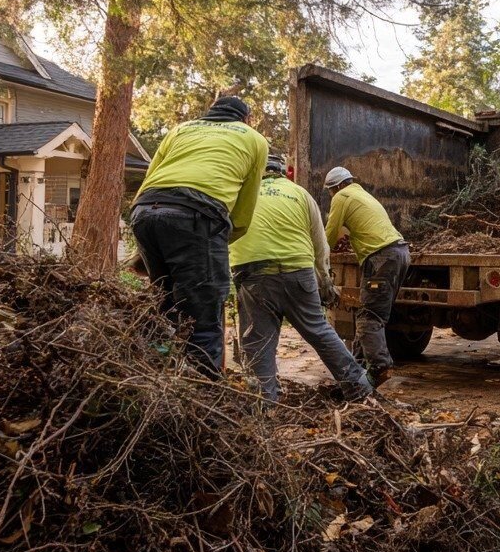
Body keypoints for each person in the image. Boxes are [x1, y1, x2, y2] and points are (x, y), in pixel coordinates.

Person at [131, 96, 268, 378]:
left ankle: (155, 378)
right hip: (197, 214)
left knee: (166, 304)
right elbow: (244, 207)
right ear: (247, 119)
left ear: (211, 112)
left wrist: (145, 240)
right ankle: (204, 394)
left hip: (144, 211)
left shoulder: (180, 129)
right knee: (203, 315)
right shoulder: (254, 139)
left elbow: (149, 179)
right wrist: (219, 243)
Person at [232, 155, 372, 403]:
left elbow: (226, 235)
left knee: (257, 341)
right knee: (319, 330)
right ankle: (359, 389)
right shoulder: (300, 194)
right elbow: (320, 244)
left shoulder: (241, 193)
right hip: (299, 271)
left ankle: (264, 403)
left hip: (254, 274)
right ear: (282, 172)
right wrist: (325, 282)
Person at [323, 166, 410, 386]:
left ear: (336, 187)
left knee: (369, 317)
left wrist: (319, 256)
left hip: (382, 257)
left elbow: (330, 233)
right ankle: (358, 370)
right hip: (399, 253)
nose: (331, 195)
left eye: (330, 191)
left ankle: (380, 367)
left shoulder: (342, 196)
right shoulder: (362, 194)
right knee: (371, 312)